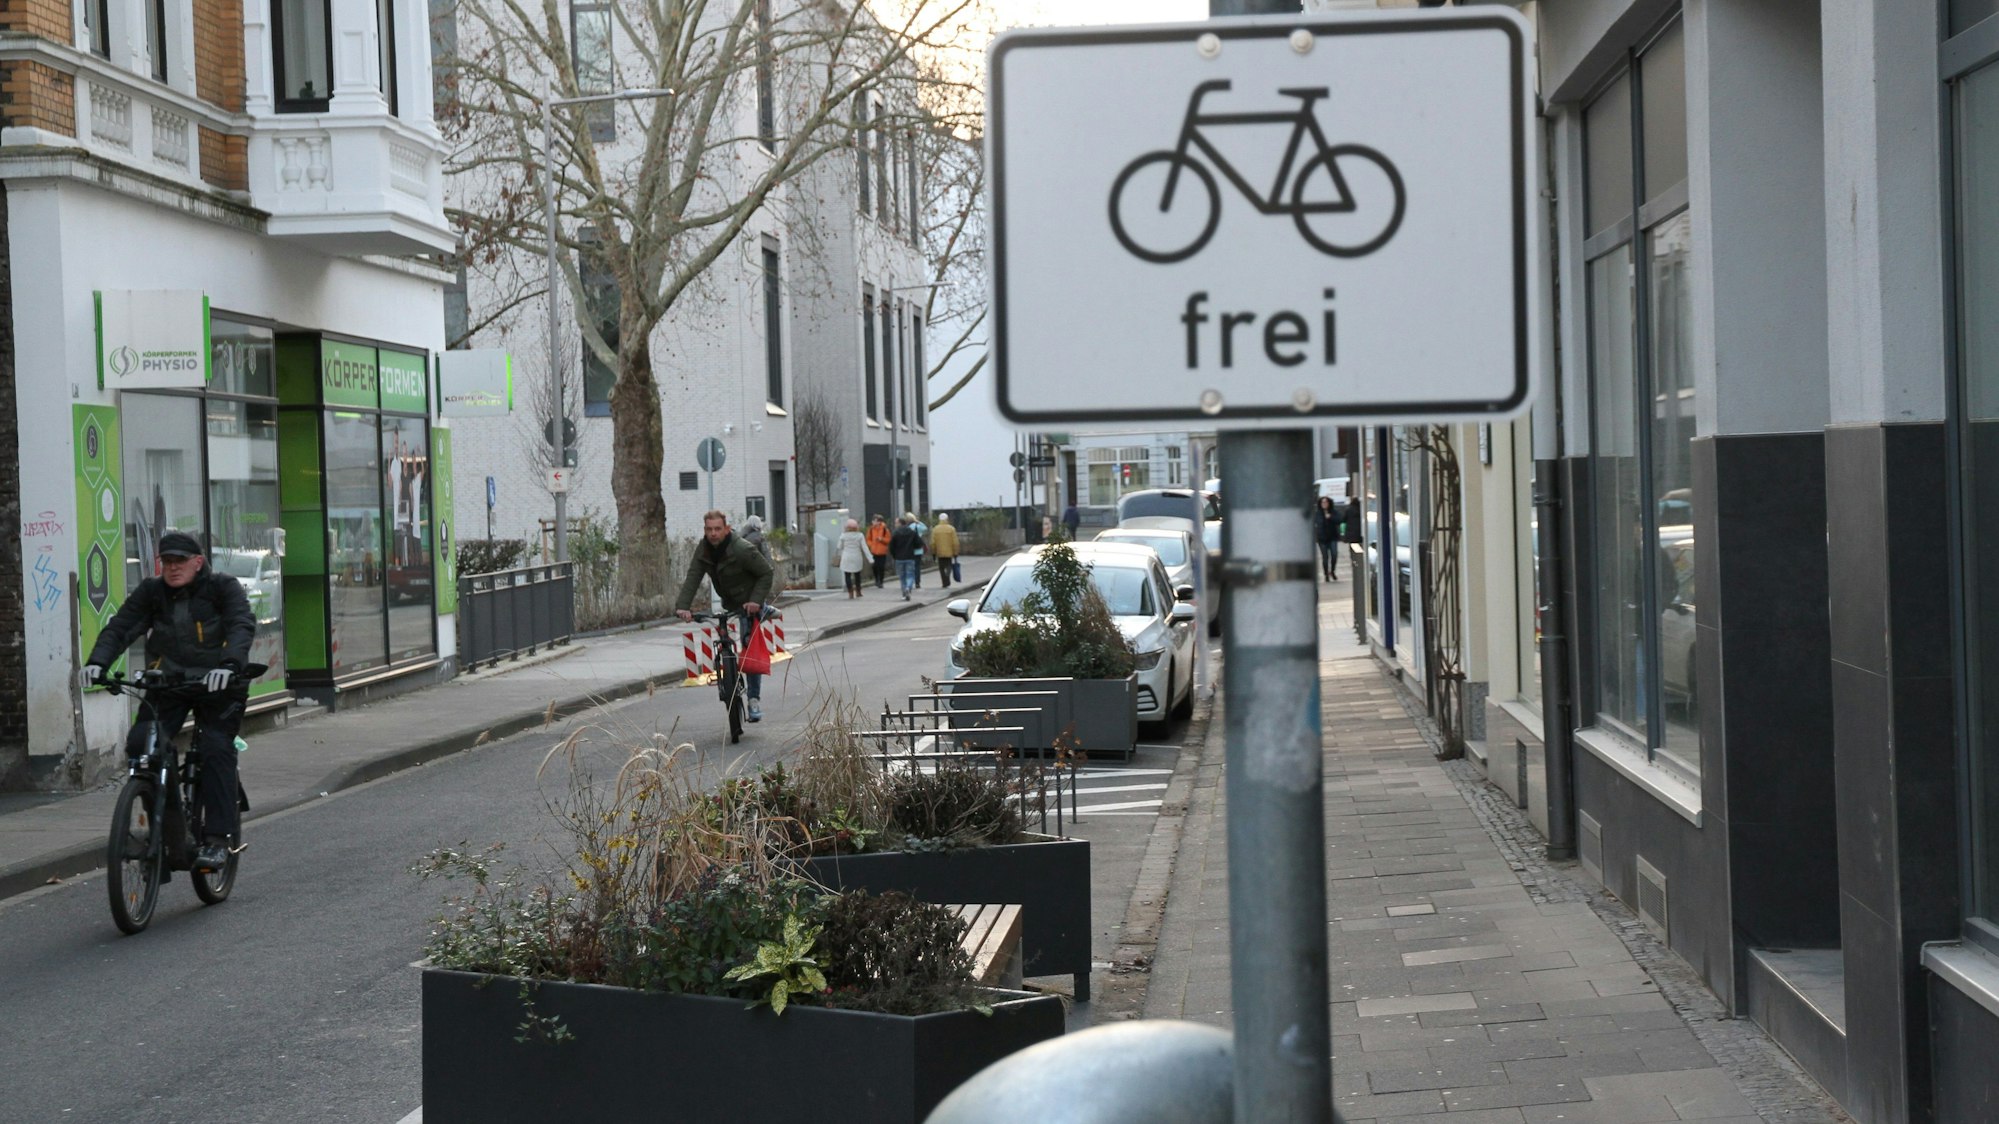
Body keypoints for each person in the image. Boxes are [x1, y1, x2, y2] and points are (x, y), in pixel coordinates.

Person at [80, 531, 256, 874]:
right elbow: (121, 627)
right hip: (170, 684)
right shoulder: (151, 592)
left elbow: (240, 625)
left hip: (220, 684)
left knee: (215, 748)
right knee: (141, 744)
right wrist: (97, 662)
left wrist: (230, 664)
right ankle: (172, 836)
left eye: (180, 561)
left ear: (198, 562)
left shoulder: (223, 588)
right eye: (167, 562)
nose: (173, 568)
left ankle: (218, 841)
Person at [675, 510, 776, 722]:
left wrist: (756, 601)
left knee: (748, 647)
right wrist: (683, 607)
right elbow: (693, 576)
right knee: (724, 636)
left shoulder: (741, 548)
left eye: (717, 529)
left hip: (751, 600)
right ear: (705, 530)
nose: (713, 534)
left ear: (726, 529)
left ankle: (753, 699)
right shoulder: (704, 550)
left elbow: (766, 572)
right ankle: (728, 674)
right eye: (709, 529)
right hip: (730, 601)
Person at [888, 516, 922, 600]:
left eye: (896, 523)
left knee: (902, 576)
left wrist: (894, 555)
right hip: (910, 557)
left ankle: (904, 593)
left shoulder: (895, 533)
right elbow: (919, 543)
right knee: (910, 575)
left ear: (900, 523)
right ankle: (908, 588)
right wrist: (913, 548)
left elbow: (891, 546)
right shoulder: (912, 532)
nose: (895, 524)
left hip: (899, 558)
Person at [1311, 495, 1342, 581]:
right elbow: (1316, 523)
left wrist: (1330, 517)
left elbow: (1340, 520)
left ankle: (1332, 571)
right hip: (1322, 539)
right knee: (1325, 557)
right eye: (1322, 502)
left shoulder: (1334, 512)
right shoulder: (1318, 513)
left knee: (1334, 555)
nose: (1324, 504)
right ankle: (1326, 574)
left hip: (1332, 537)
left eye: (1326, 502)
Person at [836, 517, 868, 599]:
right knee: (857, 575)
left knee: (847, 575)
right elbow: (864, 547)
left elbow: (839, 546)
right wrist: (870, 558)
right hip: (857, 556)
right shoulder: (860, 535)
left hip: (846, 556)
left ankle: (850, 592)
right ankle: (858, 591)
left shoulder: (843, 536)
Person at [930, 512, 960, 589]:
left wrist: (933, 553)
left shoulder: (935, 529)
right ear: (947, 519)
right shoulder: (951, 529)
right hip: (949, 552)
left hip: (939, 553)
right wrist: (956, 553)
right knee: (948, 565)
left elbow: (933, 543)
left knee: (941, 567)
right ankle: (947, 577)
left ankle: (944, 581)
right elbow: (955, 542)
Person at [865, 514, 892, 589]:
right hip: (873, 551)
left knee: (881, 567)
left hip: (882, 551)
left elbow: (888, 539)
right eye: (873, 520)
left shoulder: (884, 529)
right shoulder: (871, 529)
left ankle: (881, 581)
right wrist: (871, 544)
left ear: (879, 522)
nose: (873, 522)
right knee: (874, 566)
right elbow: (868, 539)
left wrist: (881, 539)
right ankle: (876, 579)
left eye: (875, 520)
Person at [905, 511, 929, 589]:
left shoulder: (908, 528)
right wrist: (918, 521)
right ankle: (917, 582)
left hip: (910, 550)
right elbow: (925, 528)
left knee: (910, 567)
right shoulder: (917, 526)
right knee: (917, 567)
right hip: (918, 550)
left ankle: (909, 582)